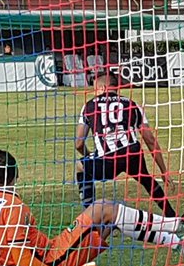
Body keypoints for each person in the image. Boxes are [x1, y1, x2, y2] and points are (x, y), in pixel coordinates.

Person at [0, 150, 184, 266]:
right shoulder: (14, 205)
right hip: (50, 263)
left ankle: (180, 244)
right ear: (16, 175)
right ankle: (181, 224)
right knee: (104, 209)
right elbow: (21, 257)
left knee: (108, 221)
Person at [76, 66, 177, 217]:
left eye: (95, 89)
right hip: (132, 153)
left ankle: (90, 216)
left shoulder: (89, 105)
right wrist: (164, 171)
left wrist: (89, 154)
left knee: (80, 166)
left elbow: (78, 143)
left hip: (108, 159)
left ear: (103, 87)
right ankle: (171, 215)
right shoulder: (132, 104)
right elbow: (149, 139)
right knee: (147, 180)